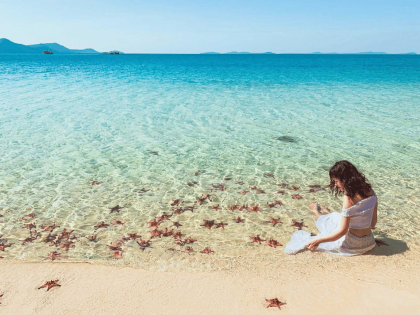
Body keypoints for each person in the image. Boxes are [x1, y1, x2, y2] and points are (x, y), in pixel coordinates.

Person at [284, 160, 378, 255]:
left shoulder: (348, 198)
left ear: (345, 179)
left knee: (332, 220)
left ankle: (316, 212)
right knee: (336, 217)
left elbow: (341, 232)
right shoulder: (370, 191)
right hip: (369, 242)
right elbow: (373, 223)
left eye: (336, 181)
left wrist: (318, 240)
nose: (336, 184)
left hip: (353, 245)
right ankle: (325, 212)